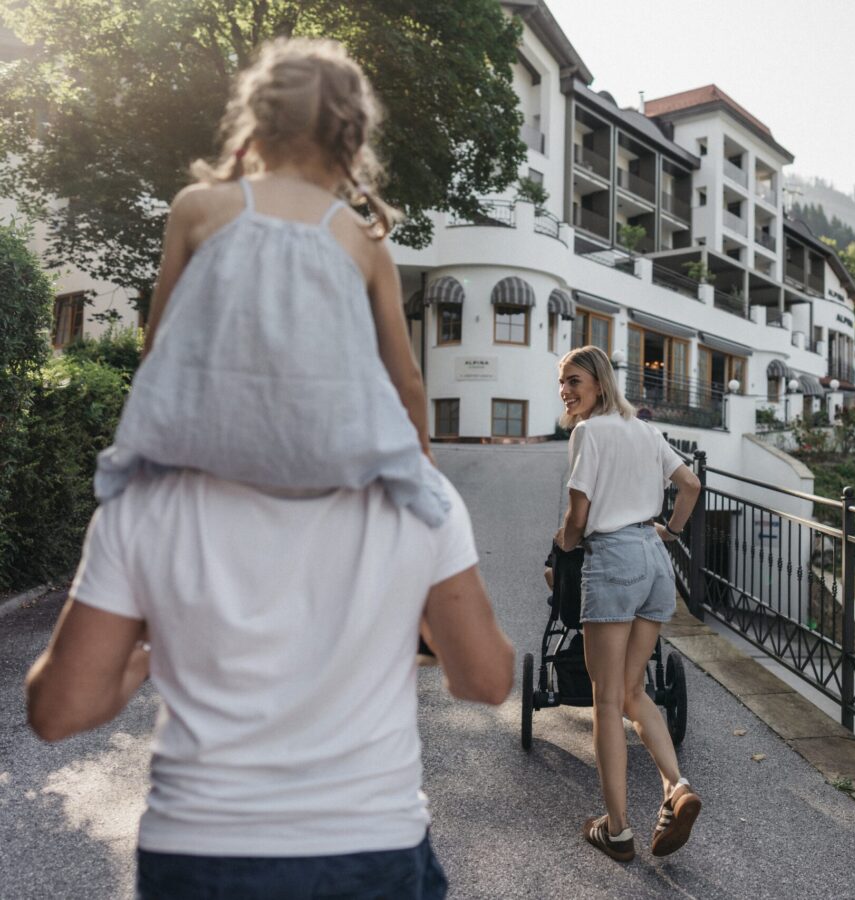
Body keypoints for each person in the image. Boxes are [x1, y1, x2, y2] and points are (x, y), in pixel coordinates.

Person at [25, 466, 514, 899]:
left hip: (199, 849)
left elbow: (59, 710)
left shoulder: (148, 500)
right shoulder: (418, 493)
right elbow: (487, 681)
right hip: (368, 840)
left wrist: (165, 644)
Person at [93, 37, 450, 528]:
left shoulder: (196, 208)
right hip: (328, 459)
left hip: (205, 453)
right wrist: (423, 461)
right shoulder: (363, 238)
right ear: (350, 142)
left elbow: (158, 345)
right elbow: (405, 377)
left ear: (257, 122)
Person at [553, 345, 704, 861]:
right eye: (561, 382)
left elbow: (579, 515)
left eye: (573, 380)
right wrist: (670, 533)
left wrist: (564, 550)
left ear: (597, 382)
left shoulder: (588, 434)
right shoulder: (643, 428)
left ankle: (617, 830)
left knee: (606, 700)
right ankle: (676, 788)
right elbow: (690, 484)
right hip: (653, 562)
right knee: (634, 689)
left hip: (614, 560)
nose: (565, 391)